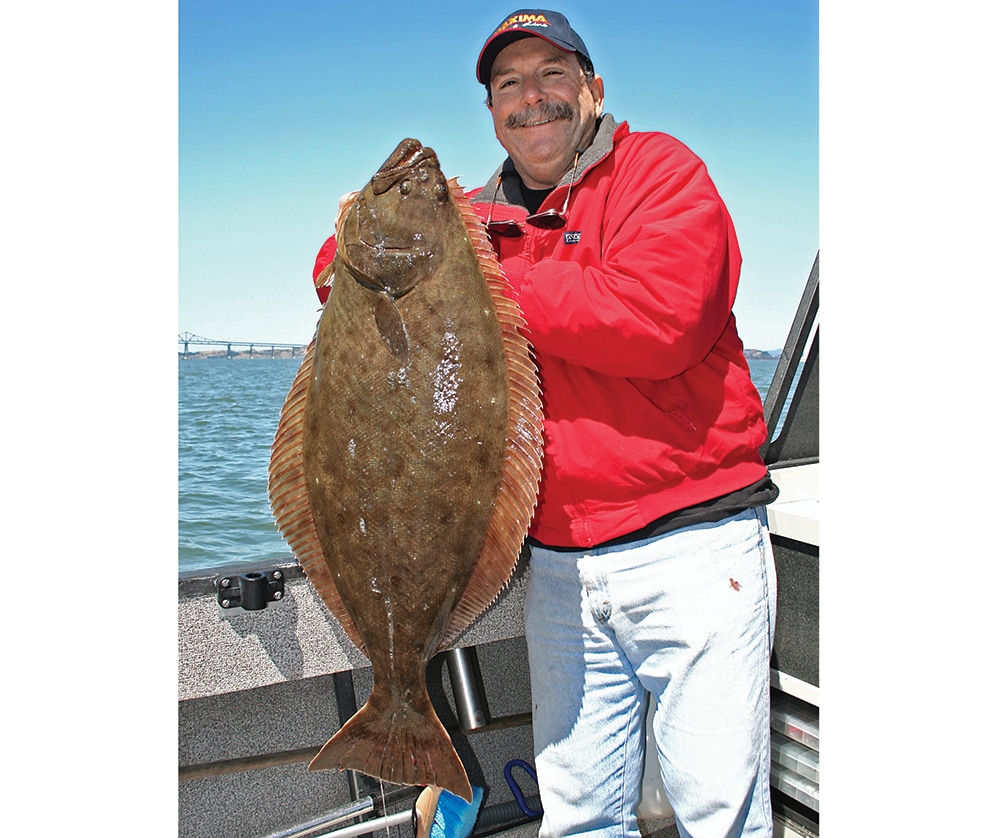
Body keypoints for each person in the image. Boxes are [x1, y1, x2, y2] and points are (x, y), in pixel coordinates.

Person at [312, 9, 779, 837]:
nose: (533, 97)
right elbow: (345, 279)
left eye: (552, 74)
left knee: (721, 812)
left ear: (592, 89)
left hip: (693, 548)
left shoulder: (659, 171)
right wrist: (363, 249)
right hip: (562, 570)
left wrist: (460, 273)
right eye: (509, 84)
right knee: (579, 814)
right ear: (492, 110)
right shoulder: (469, 218)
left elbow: (661, 319)